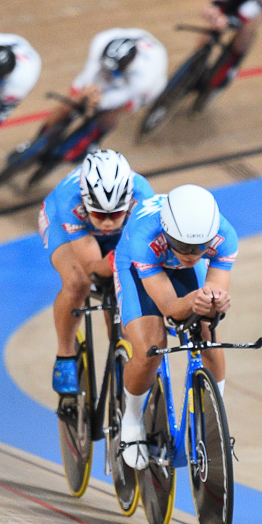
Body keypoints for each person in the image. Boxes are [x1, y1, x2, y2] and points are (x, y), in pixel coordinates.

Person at [112, 184, 238, 469]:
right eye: (184, 245)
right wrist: (195, 299)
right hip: (139, 267)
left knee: (208, 331)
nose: (193, 253)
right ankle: (131, 422)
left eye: (200, 247)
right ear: (168, 232)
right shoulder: (146, 235)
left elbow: (215, 289)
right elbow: (169, 305)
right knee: (150, 349)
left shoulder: (224, 236)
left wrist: (215, 301)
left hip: (176, 268)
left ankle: (213, 418)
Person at [39, 149, 155, 394]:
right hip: (64, 225)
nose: (107, 222)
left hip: (114, 234)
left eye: (114, 214)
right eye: (100, 214)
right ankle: (65, 354)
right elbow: (94, 268)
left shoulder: (143, 196)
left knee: (126, 286)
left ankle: (121, 352)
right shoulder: (69, 197)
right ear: (87, 202)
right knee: (78, 282)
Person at [36, 28, 167, 163]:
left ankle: (96, 136)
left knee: (109, 114)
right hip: (110, 69)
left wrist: (99, 101)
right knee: (73, 100)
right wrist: (82, 93)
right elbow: (88, 73)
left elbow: (121, 97)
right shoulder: (101, 41)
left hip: (144, 91)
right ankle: (42, 137)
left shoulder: (144, 76)